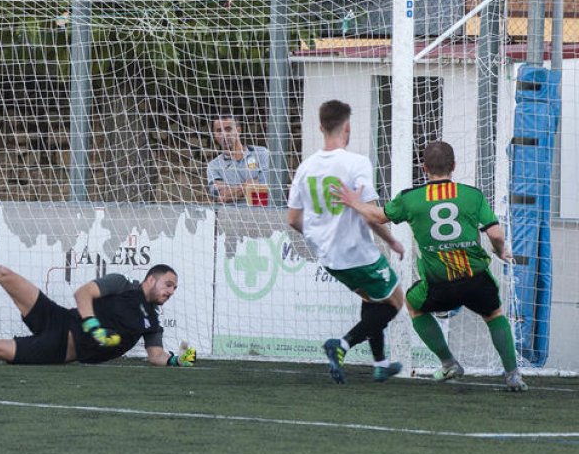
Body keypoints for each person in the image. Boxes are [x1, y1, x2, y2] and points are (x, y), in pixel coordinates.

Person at [333, 140, 527, 392]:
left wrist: (354, 203)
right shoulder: (472, 195)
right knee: (493, 315)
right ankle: (512, 375)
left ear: (423, 167)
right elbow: (497, 235)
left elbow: (378, 216)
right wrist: (500, 252)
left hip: (439, 285)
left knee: (413, 305)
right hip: (476, 278)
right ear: (454, 166)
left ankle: (449, 363)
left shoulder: (410, 199)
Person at [0, 225, 195, 367]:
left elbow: (156, 356)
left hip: (61, 348)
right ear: (151, 279)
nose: (170, 292)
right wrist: (92, 325)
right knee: (3, 273)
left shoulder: (151, 322)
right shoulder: (121, 284)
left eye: (174, 288)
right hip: (60, 318)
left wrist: (178, 361)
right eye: (168, 284)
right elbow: (83, 293)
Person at [286, 100, 407, 384]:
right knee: (394, 302)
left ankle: (381, 363)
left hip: (328, 257)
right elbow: (370, 216)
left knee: (372, 298)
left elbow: (292, 219)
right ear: (348, 127)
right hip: (357, 253)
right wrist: (392, 242)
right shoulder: (356, 163)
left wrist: (319, 235)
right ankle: (342, 344)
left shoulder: (305, 167)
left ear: (320, 127)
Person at [207, 114, 270, 205]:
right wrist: (248, 185)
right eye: (219, 131)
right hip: (231, 217)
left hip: (264, 214)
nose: (224, 135)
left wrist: (233, 191)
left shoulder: (261, 153)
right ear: (215, 135)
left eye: (228, 129)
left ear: (238, 130)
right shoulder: (214, 166)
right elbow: (221, 197)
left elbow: (266, 189)